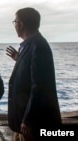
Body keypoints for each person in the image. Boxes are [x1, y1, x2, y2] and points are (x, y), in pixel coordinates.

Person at [6, 7, 62, 141]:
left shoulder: (38, 47)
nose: (15, 25)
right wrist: (20, 59)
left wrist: (28, 119)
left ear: (22, 24)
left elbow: (39, 87)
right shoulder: (32, 45)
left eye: (15, 21)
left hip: (32, 127)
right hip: (25, 125)